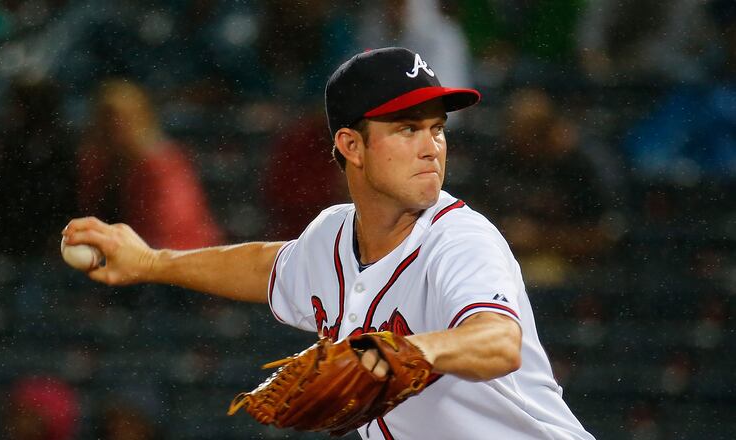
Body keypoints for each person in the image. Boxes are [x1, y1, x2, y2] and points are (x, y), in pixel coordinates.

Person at [63, 47, 594, 439]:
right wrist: (152, 261)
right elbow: (265, 266)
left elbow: (499, 341)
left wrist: (411, 350)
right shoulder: (333, 234)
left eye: (437, 128)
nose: (432, 146)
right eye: (407, 129)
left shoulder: (459, 238)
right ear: (351, 145)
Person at [77, 79, 225, 250]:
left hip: (170, 259)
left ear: (143, 118)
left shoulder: (163, 165)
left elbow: (174, 230)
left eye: (124, 119)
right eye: (107, 120)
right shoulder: (96, 164)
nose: (115, 128)